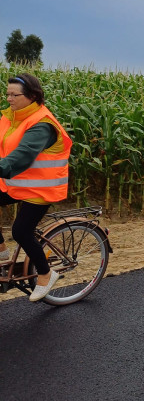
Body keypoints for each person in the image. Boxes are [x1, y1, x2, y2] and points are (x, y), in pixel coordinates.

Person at [0, 74, 73, 301]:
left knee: (20, 231)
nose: (9, 98)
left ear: (32, 96)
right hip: (16, 182)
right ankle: (2, 250)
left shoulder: (42, 124)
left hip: (40, 189)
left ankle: (45, 273)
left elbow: (23, 155)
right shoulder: (11, 117)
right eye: (7, 93)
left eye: (14, 95)